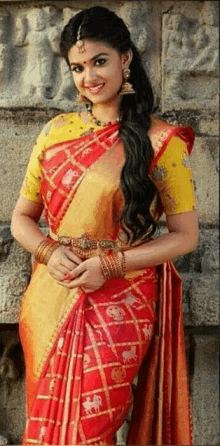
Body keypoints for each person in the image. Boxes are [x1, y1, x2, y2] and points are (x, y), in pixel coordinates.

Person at [11, 6, 198, 446]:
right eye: (77, 67)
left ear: (125, 59)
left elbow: (185, 236)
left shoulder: (161, 141)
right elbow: (22, 218)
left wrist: (109, 265)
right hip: (50, 295)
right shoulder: (54, 132)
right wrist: (49, 251)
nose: (88, 77)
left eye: (99, 61)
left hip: (121, 299)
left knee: (91, 430)